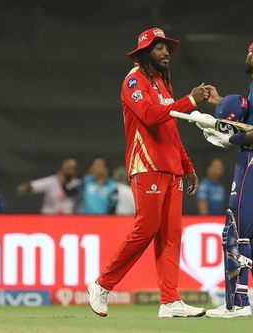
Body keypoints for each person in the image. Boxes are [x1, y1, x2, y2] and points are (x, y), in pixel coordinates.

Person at [87, 27, 209, 318]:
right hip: (147, 165)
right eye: (158, 48)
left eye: (166, 47)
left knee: (171, 235)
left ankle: (169, 301)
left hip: (171, 168)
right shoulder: (133, 80)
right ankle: (102, 285)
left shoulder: (162, 84)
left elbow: (171, 128)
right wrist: (190, 101)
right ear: (144, 53)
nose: (166, 52)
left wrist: (188, 166)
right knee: (147, 228)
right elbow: (151, 117)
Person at [199, 36, 253, 318]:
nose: (246, 56)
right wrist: (219, 102)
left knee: (235, 231)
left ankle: (237, 304)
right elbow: (246, 116)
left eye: (248, 52)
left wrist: (230, 140)